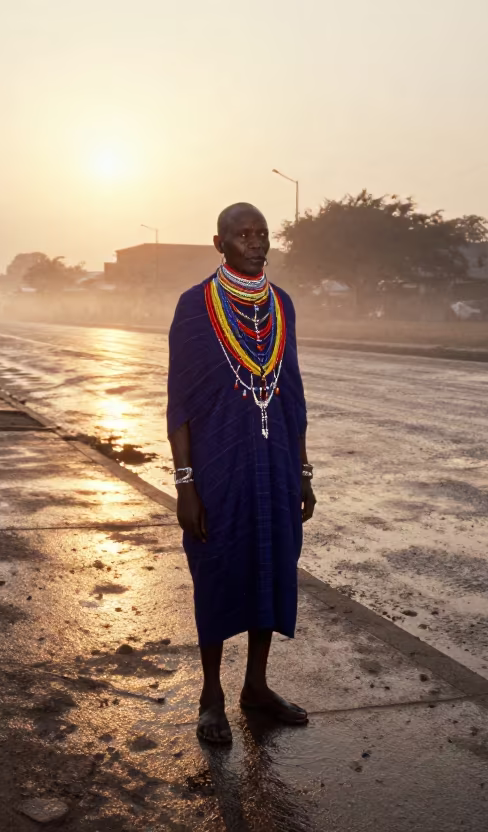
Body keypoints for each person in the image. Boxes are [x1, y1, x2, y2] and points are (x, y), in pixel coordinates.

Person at [166, 202, 316, 745]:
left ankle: (256, 686)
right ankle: (211, 695)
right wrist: (186, 485)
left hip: (274, 464)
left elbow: (292, 394)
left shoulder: (282, 306)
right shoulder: (194, 307)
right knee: (217, 570)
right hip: (218, 465)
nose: (255, 243)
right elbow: (179, 402)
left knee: (269, 565)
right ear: (219, 243)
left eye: (262, 234)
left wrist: (303, 470)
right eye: (242, 235)